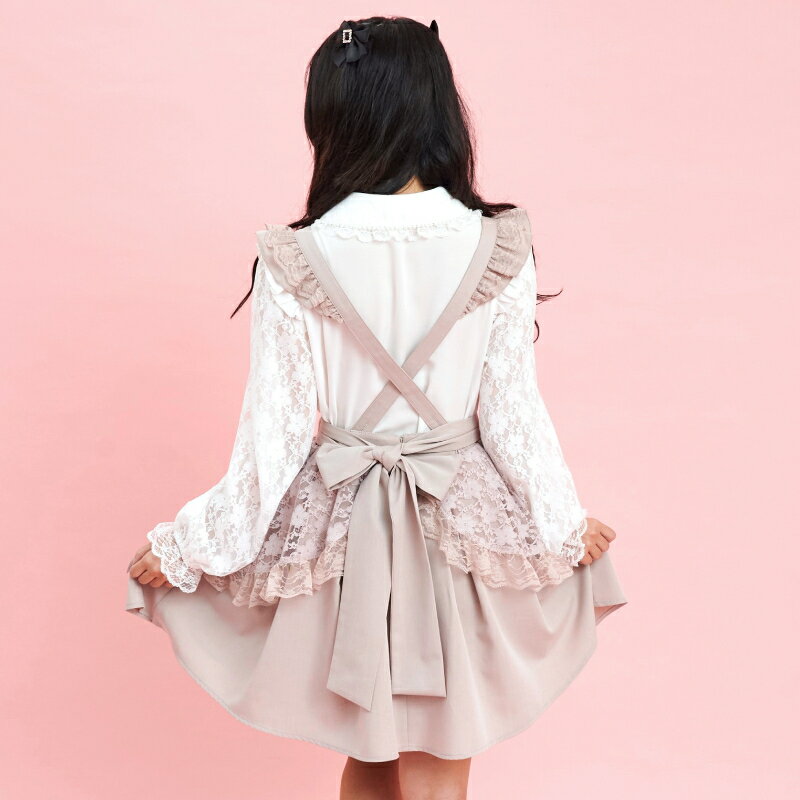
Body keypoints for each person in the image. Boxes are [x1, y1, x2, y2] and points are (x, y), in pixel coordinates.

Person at [126, 16, 627, 800]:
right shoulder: (496, 243)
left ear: (334, 117)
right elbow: (512, 410)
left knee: (368, 757)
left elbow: (275, 437)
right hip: (458, 522)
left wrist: (192, 544)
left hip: (342, 529)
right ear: (435, 106)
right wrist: (562, 522)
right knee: (437, 764)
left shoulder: (296, 254)